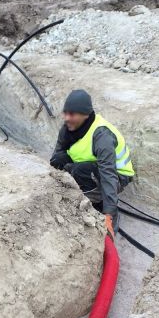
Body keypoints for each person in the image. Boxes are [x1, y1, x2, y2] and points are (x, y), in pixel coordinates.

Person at [50, 89, 134, 239]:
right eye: (66, 113)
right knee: (62, 163)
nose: (67, 118)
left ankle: (99, 205)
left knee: (80, 170)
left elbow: (108, 175)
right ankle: (87, 196)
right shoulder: (68, 128)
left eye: (72, 114)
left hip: (117, 176)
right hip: (90, 169)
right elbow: (56, 158)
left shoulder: (102, 136)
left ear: (85, 115)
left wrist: (109, 215)